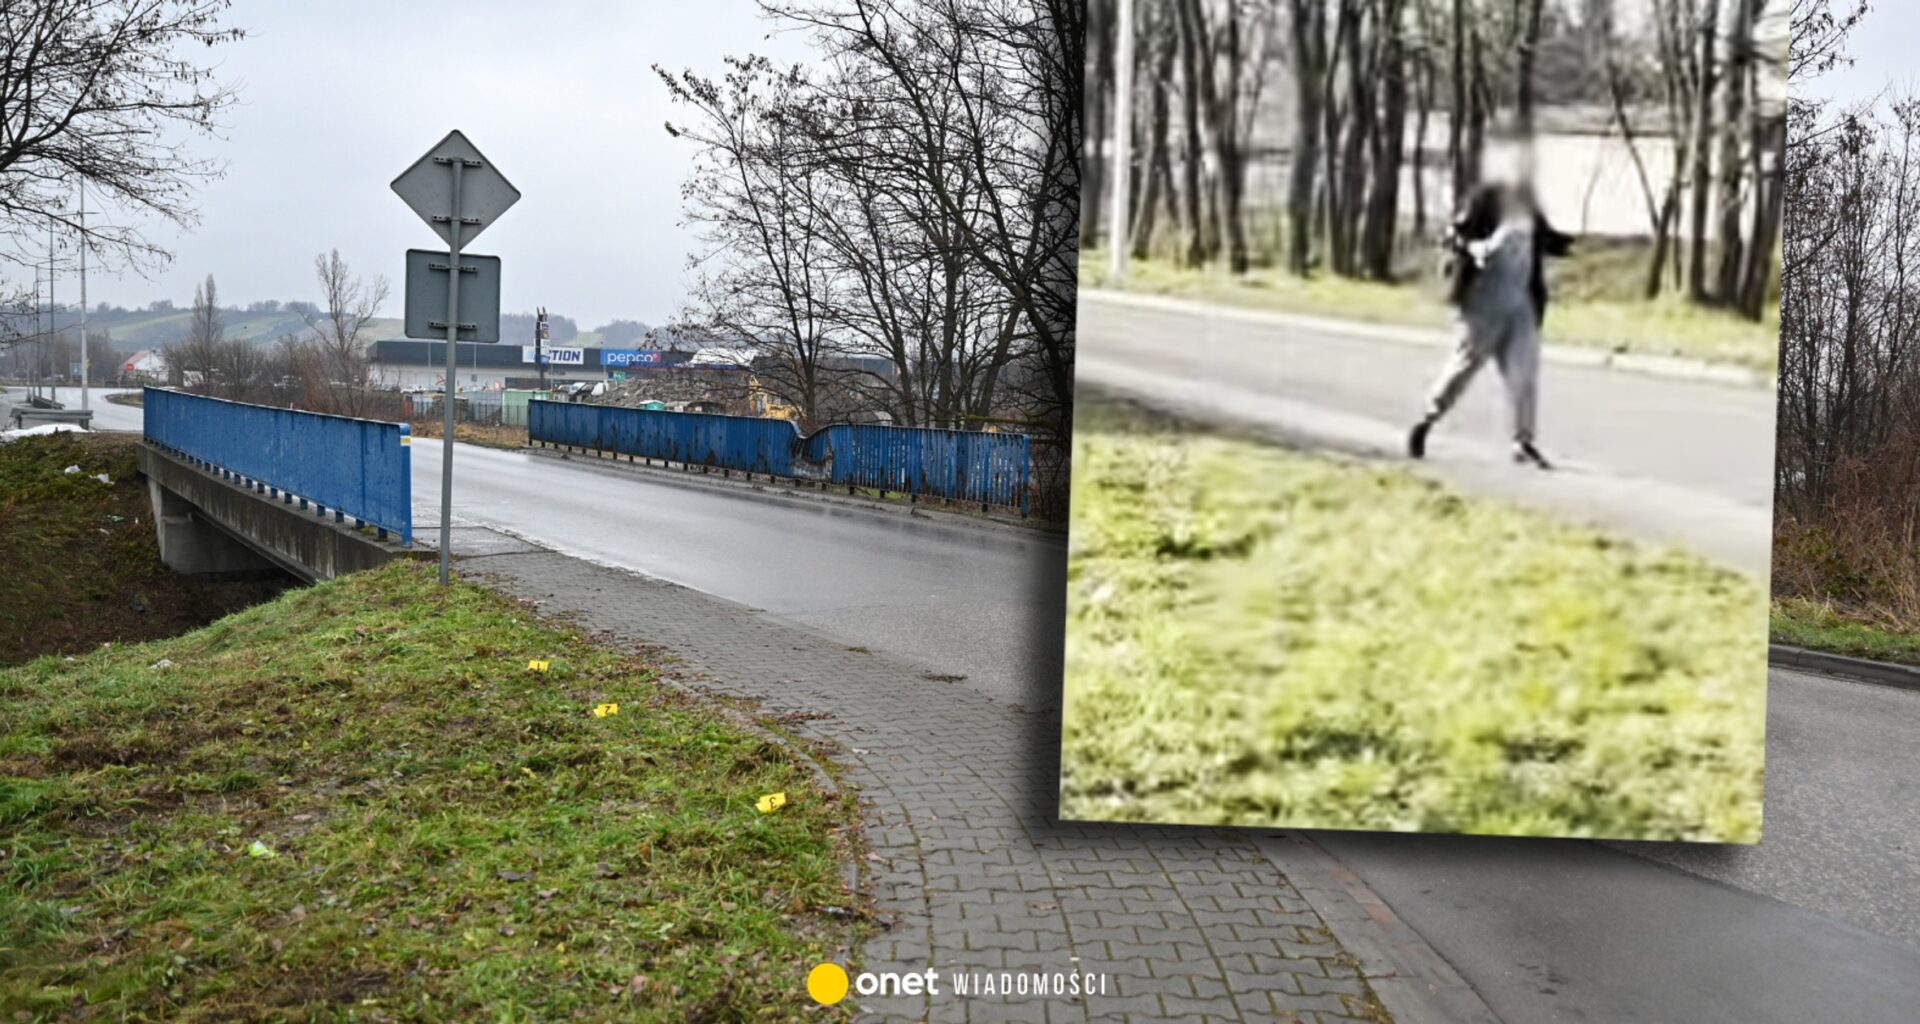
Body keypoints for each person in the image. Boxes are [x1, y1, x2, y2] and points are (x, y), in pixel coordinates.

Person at [1408, 137, 1574, 469]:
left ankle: (1522, 441)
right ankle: (1427, 421)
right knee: (1464, 367)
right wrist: (1468, 249)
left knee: (1523, 372)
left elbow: (1547, 240)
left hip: (1522, 305)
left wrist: (1570, 245)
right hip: (1486, 301)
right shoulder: (1484, 200)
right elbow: (1454, 234)